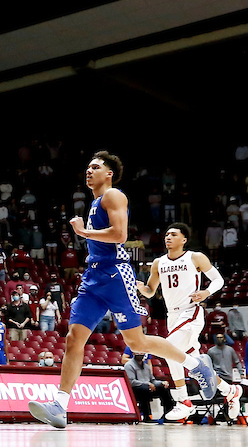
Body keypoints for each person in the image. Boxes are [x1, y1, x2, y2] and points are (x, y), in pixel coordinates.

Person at [29, 153, 218, 429]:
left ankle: (195, 365)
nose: (89, 171)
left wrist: (84, 234)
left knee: (137, 343)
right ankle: (60, 405)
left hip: (116, 274)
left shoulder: (113, 195)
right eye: (87, 167)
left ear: (109, 174)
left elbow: (119, 235)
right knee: (73, 338)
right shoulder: (95, 202)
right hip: (93, 276)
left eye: (96, 167)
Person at [137, 222, 239, 423]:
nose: (168, 237)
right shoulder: (158, 262)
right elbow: (151, 290)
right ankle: (229, 390)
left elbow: (218, 280)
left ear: (184, 239)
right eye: (167, 234)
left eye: (173, 234)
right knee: (190, 361)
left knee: (169, 350)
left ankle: (183, 401)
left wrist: (206, 292)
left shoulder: (195, 257)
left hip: (190, 312)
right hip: (172, 316)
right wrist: (142, 288)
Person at [124, 351, 174, 422]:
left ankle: (168, 414)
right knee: (144, 389)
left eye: (142, 353)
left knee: (164, 388)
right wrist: (147, 384)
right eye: (138, 353)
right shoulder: (129, 365)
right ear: (133, 354)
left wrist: (162, 383)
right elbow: (131, 382)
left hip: (149, 387)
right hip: (136, 389)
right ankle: (146, 416)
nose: (140, 355)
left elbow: (153, 380)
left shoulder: (146, 366)